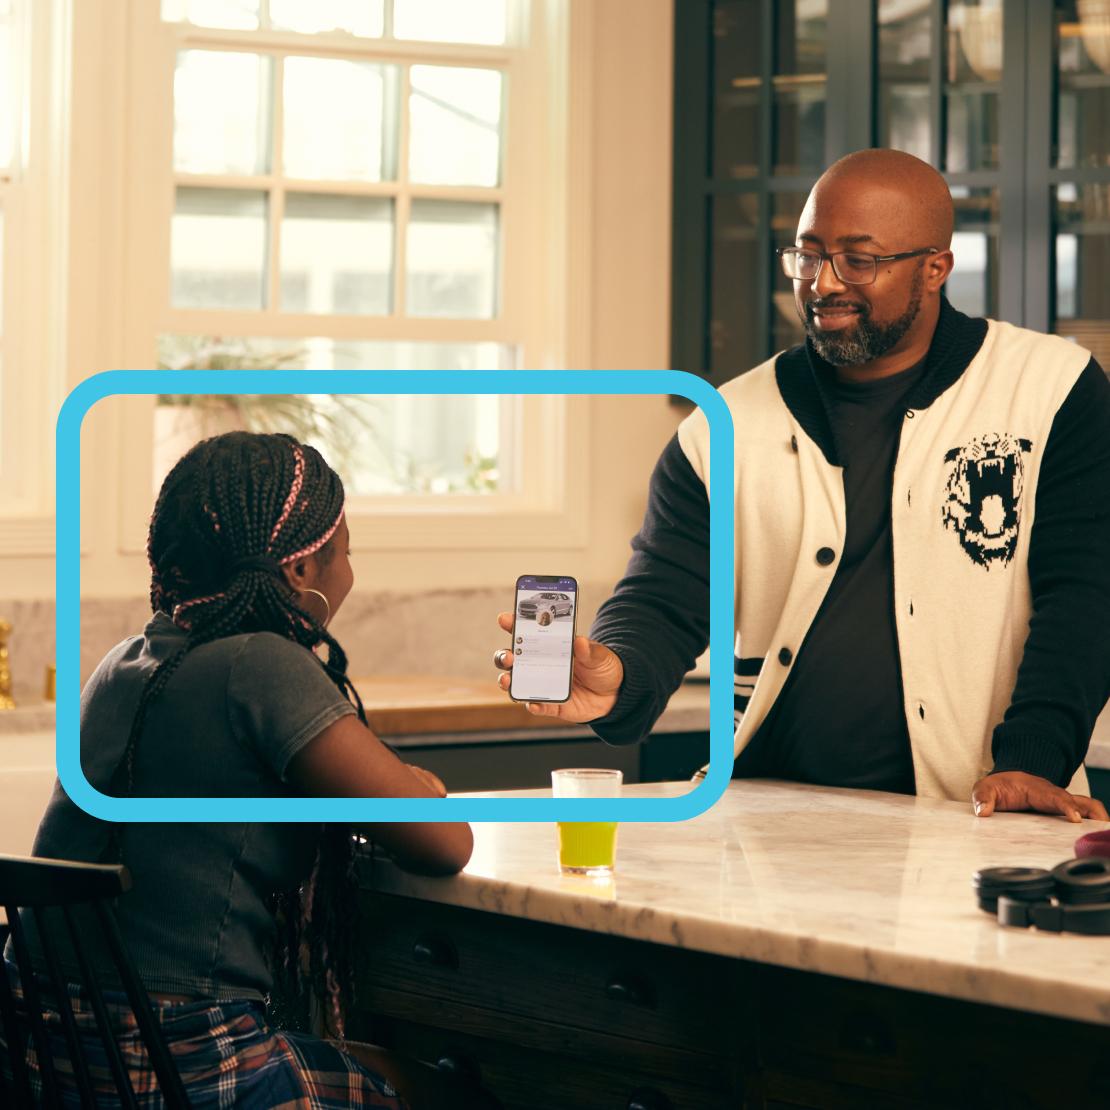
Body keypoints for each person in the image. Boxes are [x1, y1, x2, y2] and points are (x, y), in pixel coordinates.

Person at [495, 148, 1110, 823]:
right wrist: (617, 679)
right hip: (767, 817)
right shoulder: (720, 426)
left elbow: (1084, 596)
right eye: (808, 255)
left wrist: (1031, 759)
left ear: (935, 268)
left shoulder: (1052, 390)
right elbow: (662, 600)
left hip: (977, 817)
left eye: (858, 259)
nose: (822, 284)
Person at [3, 432, 479, 1108]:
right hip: (175, 1060)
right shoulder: (262, 666)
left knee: (366, 1060)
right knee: (451, 1091)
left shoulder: (122, 664)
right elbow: (443, 841)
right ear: (299, 573)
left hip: (43, 1055)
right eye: (345, 553)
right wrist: (420, 787)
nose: (350, 572)